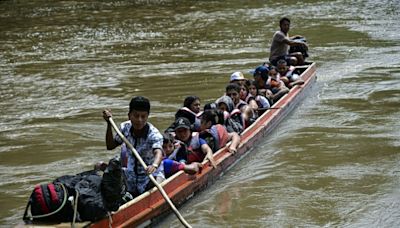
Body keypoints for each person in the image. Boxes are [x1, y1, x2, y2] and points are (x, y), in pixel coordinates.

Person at [102, 96, 163, 197]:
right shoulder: (124, 128)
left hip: (150, 175)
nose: (139, 120)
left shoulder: (154, 134)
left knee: (156, 188)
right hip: (131, 176)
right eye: (136, 116)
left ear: (147, 116)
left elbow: (158, 152)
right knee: (102, 170)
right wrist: (109, 124)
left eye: (143, 116)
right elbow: (110, 146)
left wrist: (154, 165)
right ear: (129, 115)